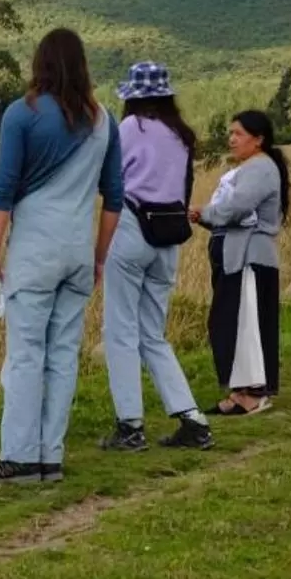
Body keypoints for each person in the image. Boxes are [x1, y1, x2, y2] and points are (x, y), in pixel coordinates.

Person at [0, 29, 125, 483]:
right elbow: (114, 199)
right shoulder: (105, 122)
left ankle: (18, 456)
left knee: (24, 354)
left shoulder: (22, 115)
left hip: (35, 251)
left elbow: (2, 191)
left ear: (38, 64)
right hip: (78, 252)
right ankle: (50, 456)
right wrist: (99, 259)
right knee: (63, 354)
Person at [94, 63, 214, 453]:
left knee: (119, 331)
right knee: (152, 334)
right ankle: (192, 418)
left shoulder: (128, 129)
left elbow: (107, 179)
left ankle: (130, 425)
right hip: (168, 237)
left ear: (133, 95)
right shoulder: (182, 136)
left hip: (130, 229)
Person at [191, 108, 289, 416]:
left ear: (258, 140)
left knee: (247, 325)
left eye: (239, 134)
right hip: (239, 255)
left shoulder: (260, 169)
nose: (232, 139)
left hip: (250, 257)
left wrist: (203, 212)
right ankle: (241, 390)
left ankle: (254, 393)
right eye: (230, 133)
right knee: (233, 322)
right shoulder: (250, 168)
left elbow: (237, 208)